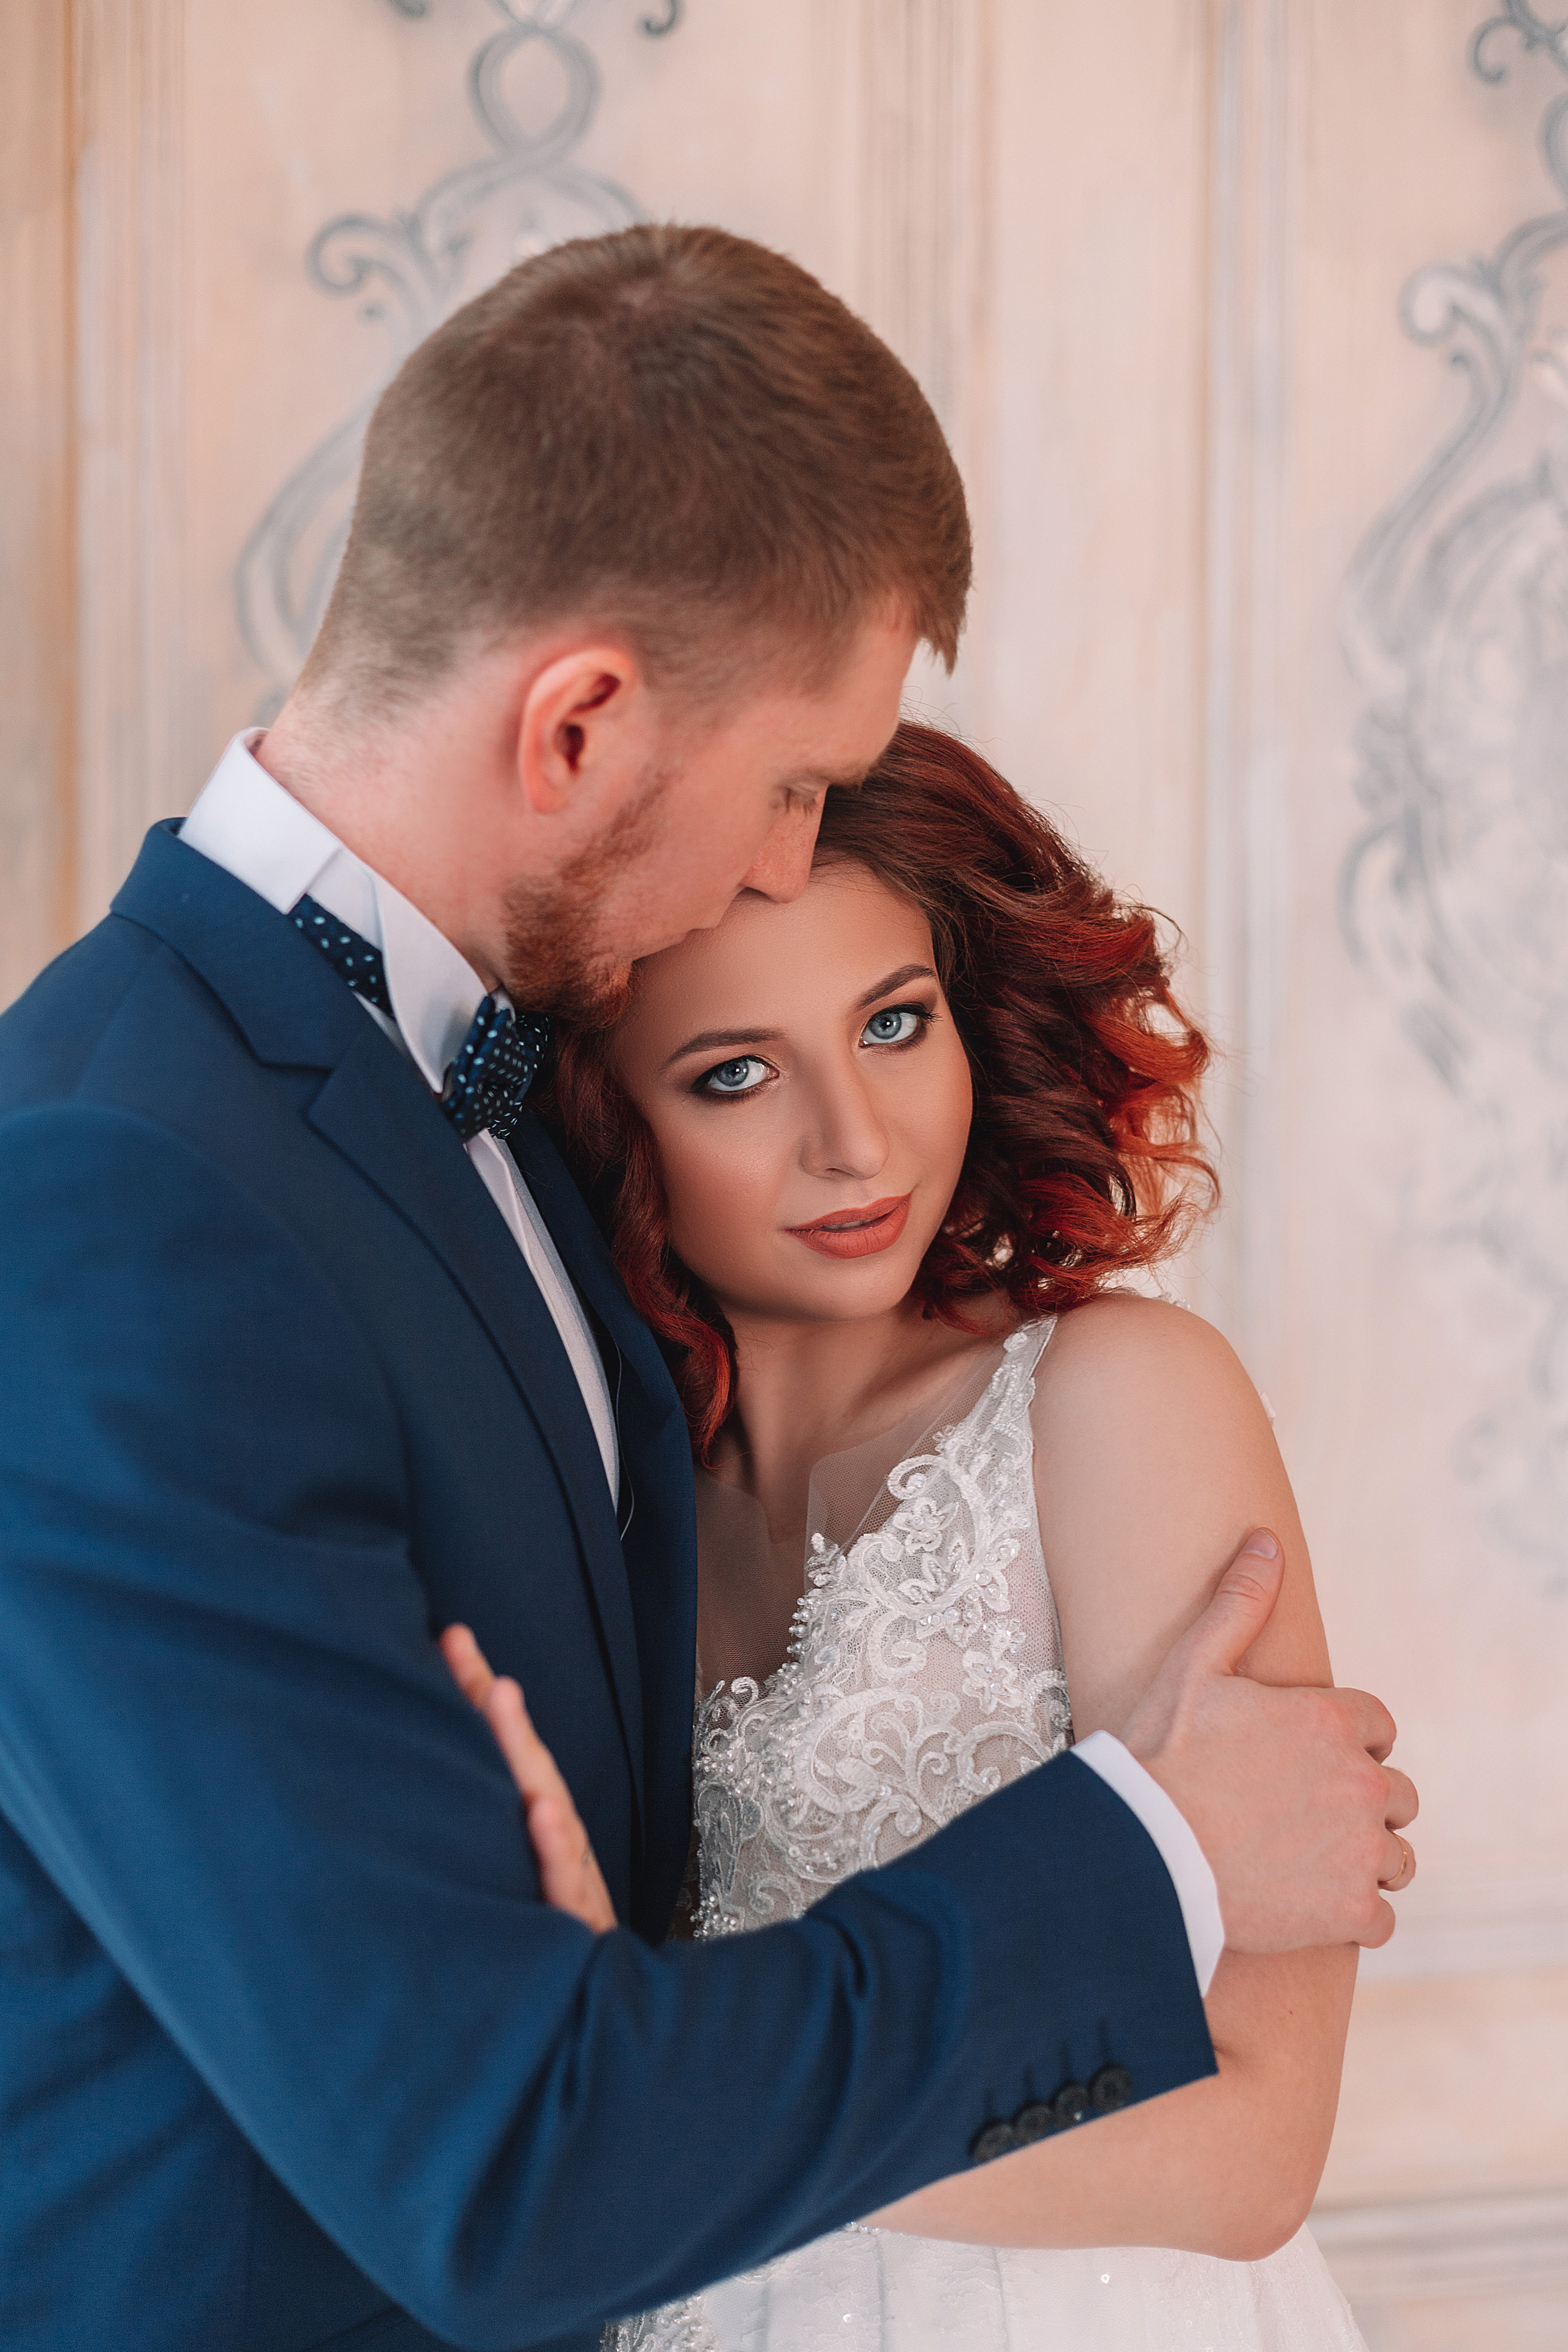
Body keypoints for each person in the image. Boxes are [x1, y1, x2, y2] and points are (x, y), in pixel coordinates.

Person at [0, 227, 1412, 2352]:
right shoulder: (119, 1193)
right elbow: (508, 2144)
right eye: (786, 788)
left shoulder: (489, 1137)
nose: (784, 865)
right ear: (577, 722)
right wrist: (1152, 1851)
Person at [450, 723, 1384, 2352]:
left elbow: (1255, 2152)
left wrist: (680, 2115)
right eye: (734, 1072)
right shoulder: (594, 1504)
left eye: (895, 1024)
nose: (856, 1142)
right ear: (614, 1122)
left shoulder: (1117, 1400)